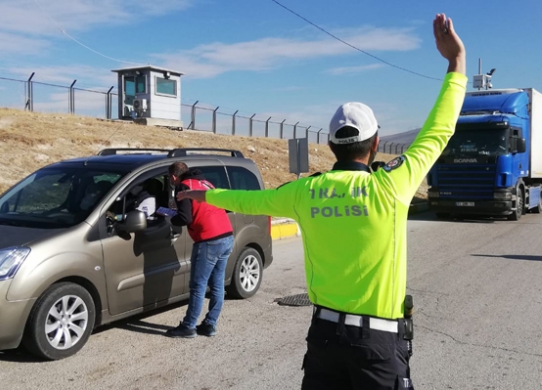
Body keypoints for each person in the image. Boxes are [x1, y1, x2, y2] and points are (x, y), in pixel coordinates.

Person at [177, 14, 466, 389]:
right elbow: (438, 132)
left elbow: (250, 200)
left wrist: (203, 193)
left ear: (330, 147)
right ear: (376, 143)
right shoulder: (391, 186)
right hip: (378, 345)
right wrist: (455, 63)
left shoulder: (306, 192)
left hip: (324, 339)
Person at [165, 162, 234, 338]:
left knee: (198, 285)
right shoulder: (206, 183)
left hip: (208, 240)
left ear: (174, 177)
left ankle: (188, 326)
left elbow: (185, 218)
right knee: (217, 284)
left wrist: (170, 218)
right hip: (226, 235)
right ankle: (210, 324)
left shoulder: (183, 186)